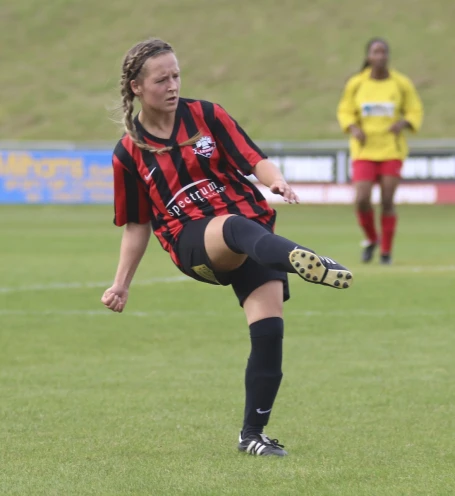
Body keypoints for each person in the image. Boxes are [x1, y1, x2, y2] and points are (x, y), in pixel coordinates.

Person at [100, 38, 353, 457]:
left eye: (177, 75)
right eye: (162, 79)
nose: (173, 85)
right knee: (233, 226)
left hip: (253, 234)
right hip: (192, 242)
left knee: (269, 332)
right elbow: (136, 225)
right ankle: (296, 257)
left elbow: (254, 157)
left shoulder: (206, 115)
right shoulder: (128, 153)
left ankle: (252, 435)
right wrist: (121, 284)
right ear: (136, 87)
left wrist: (276, 180)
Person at [337, 38, 424, 265]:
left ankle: (386, 252)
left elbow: (415, 109)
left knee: (387, 200)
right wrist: (354, 128)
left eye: (384, 52)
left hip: (391, 150)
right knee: (362, 199)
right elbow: (345, 110)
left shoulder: (400, 83)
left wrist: (403, 123)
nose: (381, 56)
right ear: (368, 57)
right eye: (376, 52)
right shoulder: (357, 83)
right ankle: (371, 238)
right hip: (364, 150)